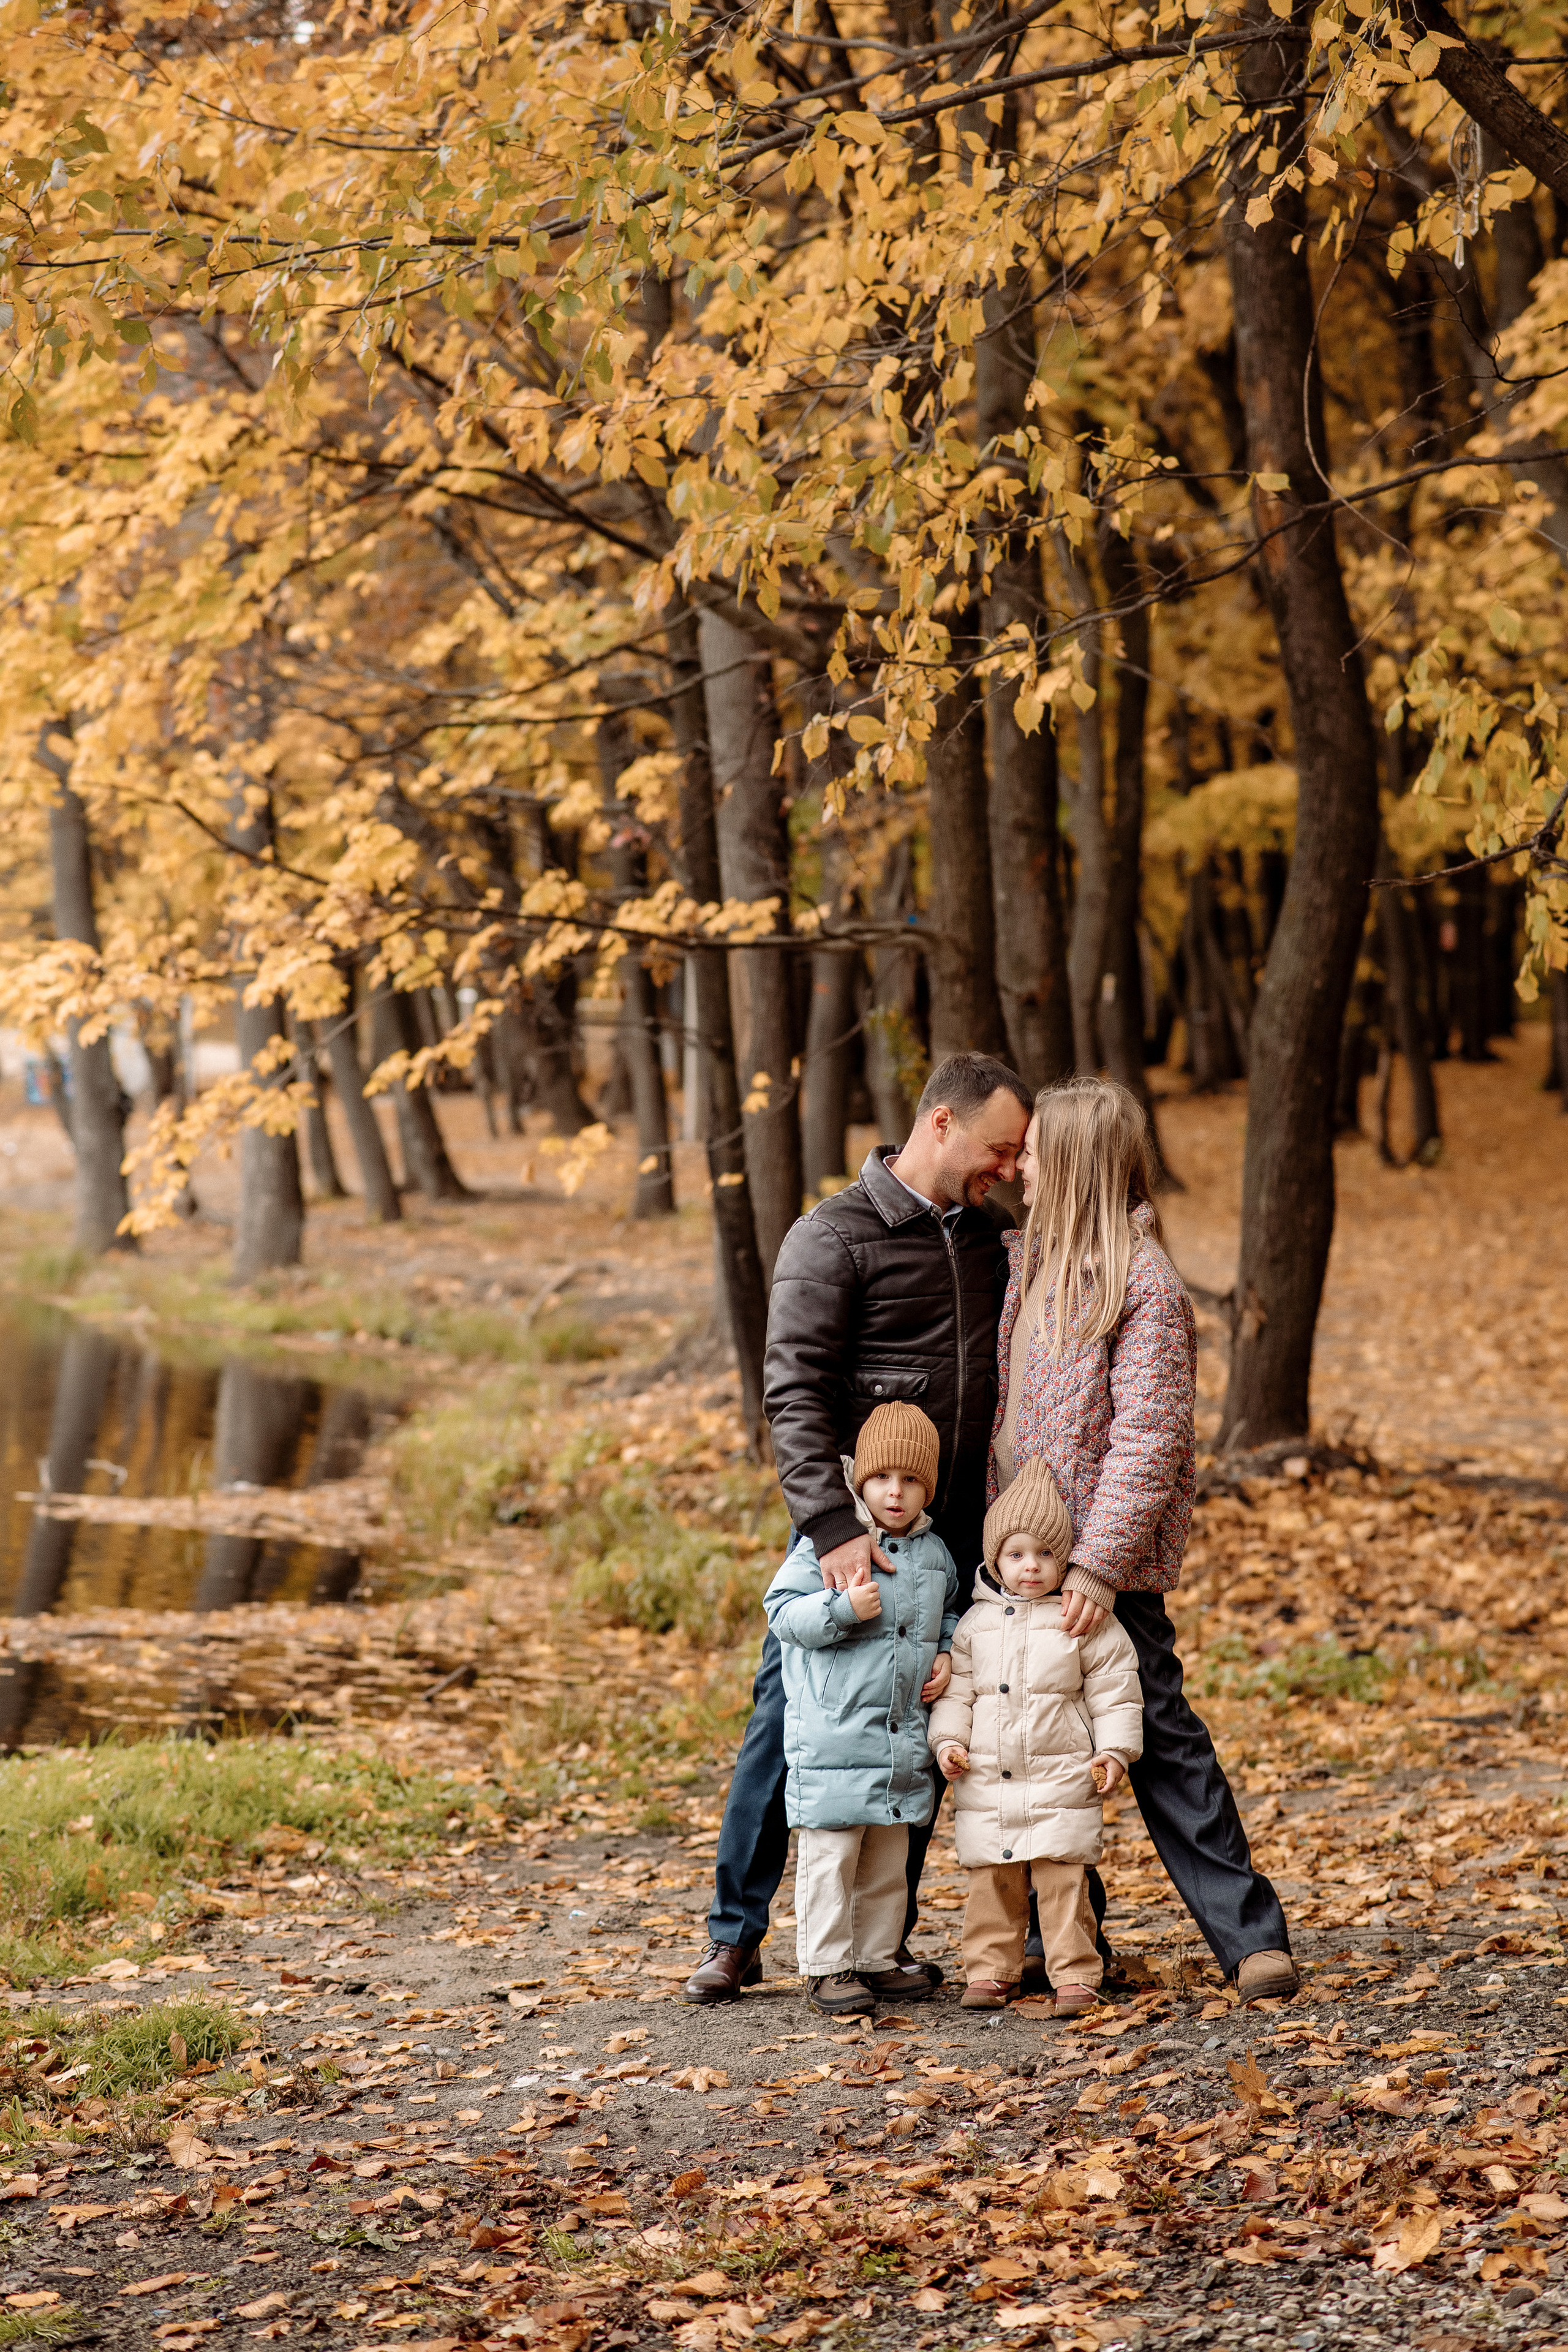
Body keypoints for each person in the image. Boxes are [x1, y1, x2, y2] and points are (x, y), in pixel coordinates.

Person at [684, 1050, 1033, 2005]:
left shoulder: (987, 1237)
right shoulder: (831, 1238)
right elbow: (792, 1394)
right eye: (996, 1148)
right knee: (791, 1717)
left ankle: (880, 1940)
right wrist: (834, 1528)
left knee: (920, 1719)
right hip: (856, 1534)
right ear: (941, 1125)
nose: (1004, 1168)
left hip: (960, 1535)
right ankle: (736, 1934)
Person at [993, 1074, 1298, 2005]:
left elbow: (1151, 1439)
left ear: (1076, 1165)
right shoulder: (1031, 1266)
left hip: (1101, 1572)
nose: (1021, 1165)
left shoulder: (1145, 1286)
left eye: (1036, 1151)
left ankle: (1249, 1939)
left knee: (1160, 1738)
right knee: (1037, 1747)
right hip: (1021, 1564)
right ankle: (1060, 1941)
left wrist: (1100, 1563)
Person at [765, 1401, 960, 2017]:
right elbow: (782, 1613)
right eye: (881, 1479)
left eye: (910, 1481)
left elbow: (951, 1609)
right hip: (834, 1734)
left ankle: (876, 1958)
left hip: (898, 1737)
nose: (895, 1493)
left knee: (887, 1857)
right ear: (859, 1482)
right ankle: (826, 1965)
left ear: (928, 1487)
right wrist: (841, 1610)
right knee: (832, 1857)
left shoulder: (935, 1555)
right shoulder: (831, 1547)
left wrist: (948, 1650)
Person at [930, 1457, 1143, 2015]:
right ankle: (990, 1969)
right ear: (995, 1559)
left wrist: (1114, 1751)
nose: (1031, 1567)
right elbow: (957, 1693)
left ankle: (1075, 1973)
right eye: (1017, 1554)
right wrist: (949, 1743)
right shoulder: (975, 1625)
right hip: (990, 1778)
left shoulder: (1083, 1620)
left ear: (1066, 1559)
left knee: (1063, 1880)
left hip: (1061, 1774)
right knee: (993, 1881)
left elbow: (1115, 1689)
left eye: (1046, 1554)